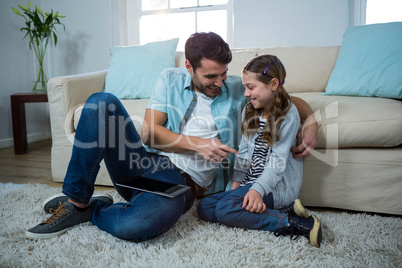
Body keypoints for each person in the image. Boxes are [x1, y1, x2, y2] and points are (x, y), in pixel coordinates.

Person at [25, 32, 318, 242]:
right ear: (189, 67)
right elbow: (150, 135)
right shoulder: (170, 79)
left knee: (135, 226)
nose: (219, 82)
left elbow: (288, 100)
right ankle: (76, 202)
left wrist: (311, 123)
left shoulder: (239, 88)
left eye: (223, 73)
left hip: (180, 185)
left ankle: (94, 207)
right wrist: (198, 145)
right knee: (101, 101)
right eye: (210, 77)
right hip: (144, 163)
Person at [197, 55, 322, 247]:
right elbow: (244, 153)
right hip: (250, 183)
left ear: (273, 84)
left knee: (225, 210)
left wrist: (257, 190)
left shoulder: (288, 114)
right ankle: (287, 210)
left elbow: (277, 163)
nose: (246, 93)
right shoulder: (250, 110)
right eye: (245, 87)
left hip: (273, 187)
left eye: (251, 87)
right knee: (205, 208)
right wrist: (235, 189)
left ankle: (293, 223)